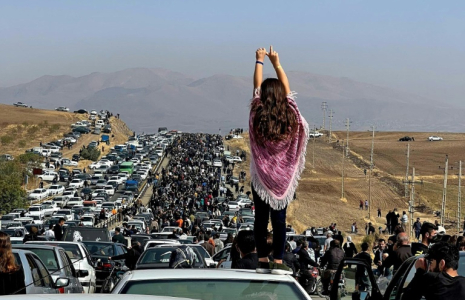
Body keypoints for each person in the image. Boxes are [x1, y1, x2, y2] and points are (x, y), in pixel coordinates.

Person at [250, 46, 309, 275]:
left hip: (261, 177)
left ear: (264, 96)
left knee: (260, 219)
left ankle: (262, 260)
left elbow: (256, 87)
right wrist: (277, 63)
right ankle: (277, 261)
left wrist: (259, 61)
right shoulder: (291, 115)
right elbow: (288, 91)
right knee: (279, 220)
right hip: (282, 179)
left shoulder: (257, 113)